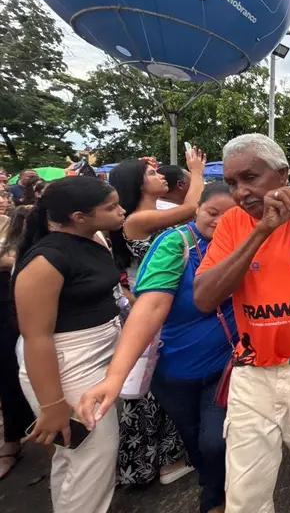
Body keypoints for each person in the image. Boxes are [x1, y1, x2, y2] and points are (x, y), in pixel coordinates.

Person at [192, 134, 290, 513]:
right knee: (244, 491)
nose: (240, 192)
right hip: (253, 371)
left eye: (250, 178)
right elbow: (204, 298)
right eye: (232, 183)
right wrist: (261, 230)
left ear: (282, 174)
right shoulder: (233, 223)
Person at [77, 183, 238, 513]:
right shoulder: (175, 245)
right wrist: (114, 378)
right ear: (196, 209)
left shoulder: (243, 243)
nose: (220, 222)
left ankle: (216, 498)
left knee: (215, 441)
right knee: (193, 440)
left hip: (224, 367)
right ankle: (213, 486)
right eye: (212, 213)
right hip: (172, 372)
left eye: (230, 216)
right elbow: (149, 308)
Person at [13, 176, 126, 512]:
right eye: (111, 207)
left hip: (95, 357)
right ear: (79, 216)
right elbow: (36, 337)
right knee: (93, 458)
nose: (122, 211)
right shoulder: (46, 260)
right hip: (67, 364)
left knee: (75, 456)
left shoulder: (93, 239)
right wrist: (52, 405)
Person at [108, 150, 206, 487]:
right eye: (150, 173)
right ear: (136, 184)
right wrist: (196, 172)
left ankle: (173, 455)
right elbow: (193, 209)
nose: (159, 174)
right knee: (154, 389)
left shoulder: (157, 212)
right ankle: (168, 462)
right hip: (152, 310)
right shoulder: (136, 219)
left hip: (169, 307)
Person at [0, 206, 34, 481]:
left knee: (14, 373)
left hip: (17, 309)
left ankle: (14, 439)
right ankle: (12, 439)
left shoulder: (10, 221)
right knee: (8, 376)